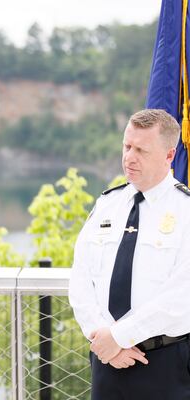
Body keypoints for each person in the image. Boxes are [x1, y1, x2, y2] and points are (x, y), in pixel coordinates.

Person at [69, 109, 190, 399]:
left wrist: (120, 337)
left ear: (169, 156)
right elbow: (80, 279)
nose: (129, 157)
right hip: (106, 360)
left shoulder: (185, 211)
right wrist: (102, 338)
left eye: (141, 150)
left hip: (164, 363)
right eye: (127, 146)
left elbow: (182, 295)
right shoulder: (107, 205)